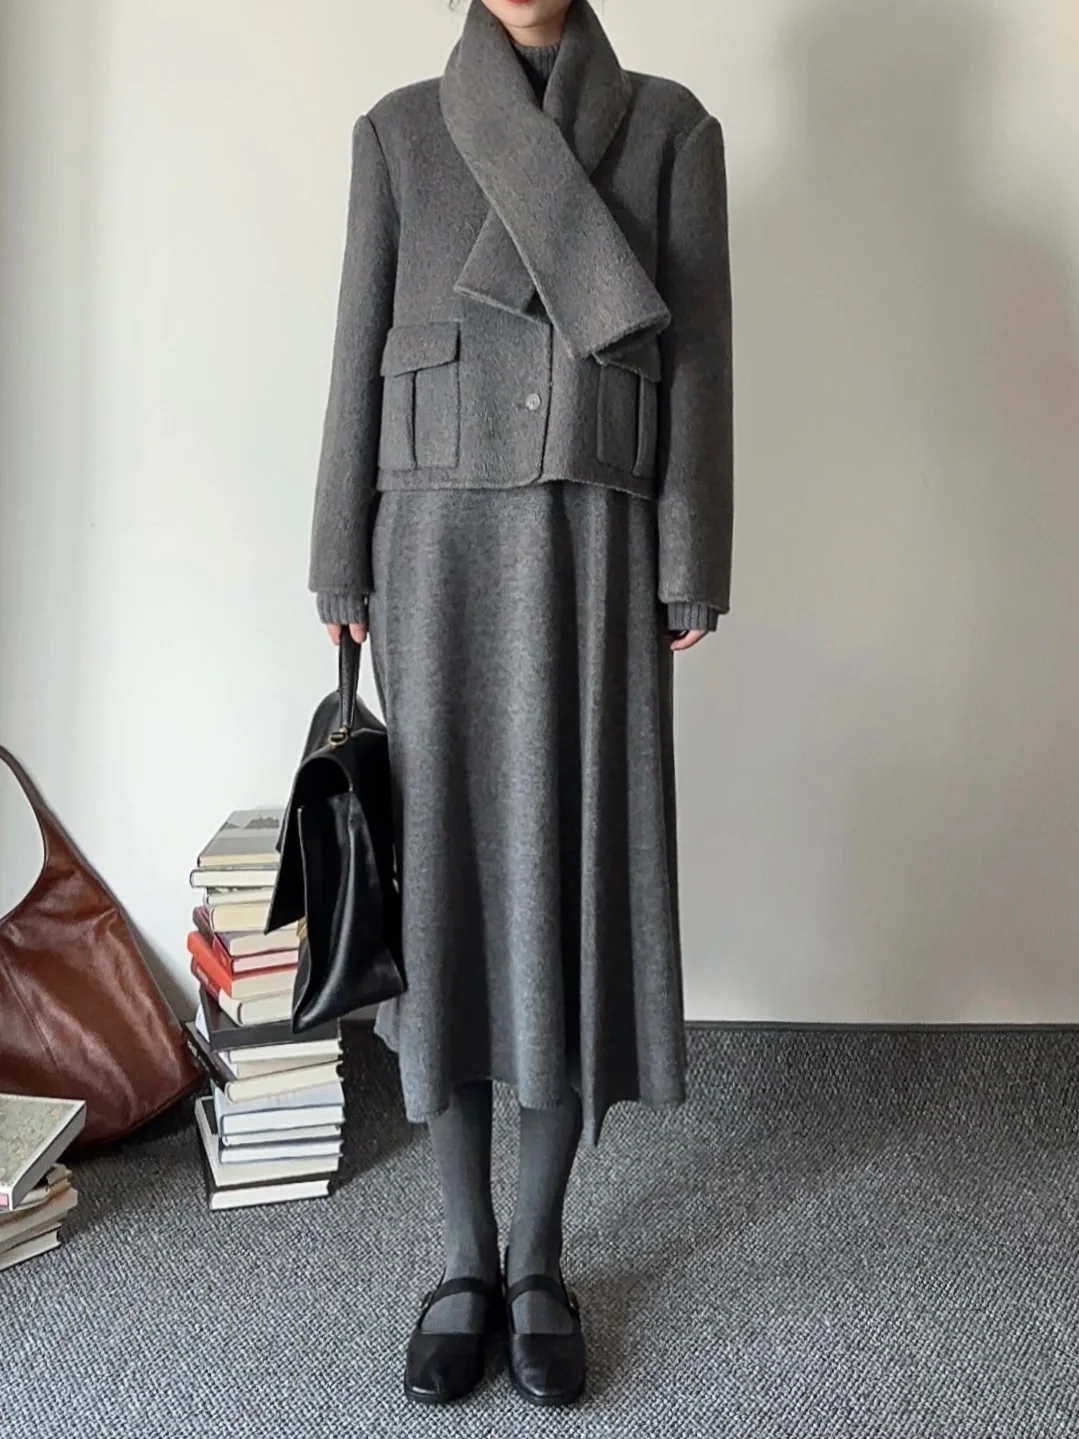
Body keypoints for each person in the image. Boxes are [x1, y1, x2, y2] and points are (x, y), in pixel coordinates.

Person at [308, 0, 732, 1408]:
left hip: (597, 541)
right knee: (448, 900)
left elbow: (702, 360)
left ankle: (540, 1258)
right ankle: (462, 1261)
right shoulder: (396, 134)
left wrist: (690, 560)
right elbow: (354, 346)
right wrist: (336, 554)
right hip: (430, 544)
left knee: (565, 893)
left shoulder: (670, 129)